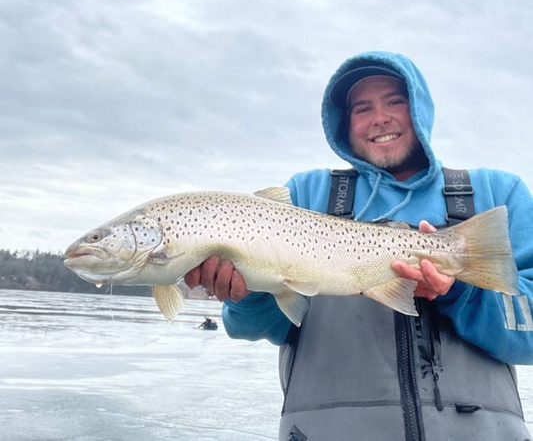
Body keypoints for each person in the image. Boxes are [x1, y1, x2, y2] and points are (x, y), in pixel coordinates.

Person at [185, 51, 533, 441]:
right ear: (344, 124)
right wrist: (247, 293)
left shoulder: (497, 193)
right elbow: (258, 328)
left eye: (395, 101)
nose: (379, 118)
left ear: (420, 108)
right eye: (362, 108)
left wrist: (461, 293)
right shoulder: (305, 193)